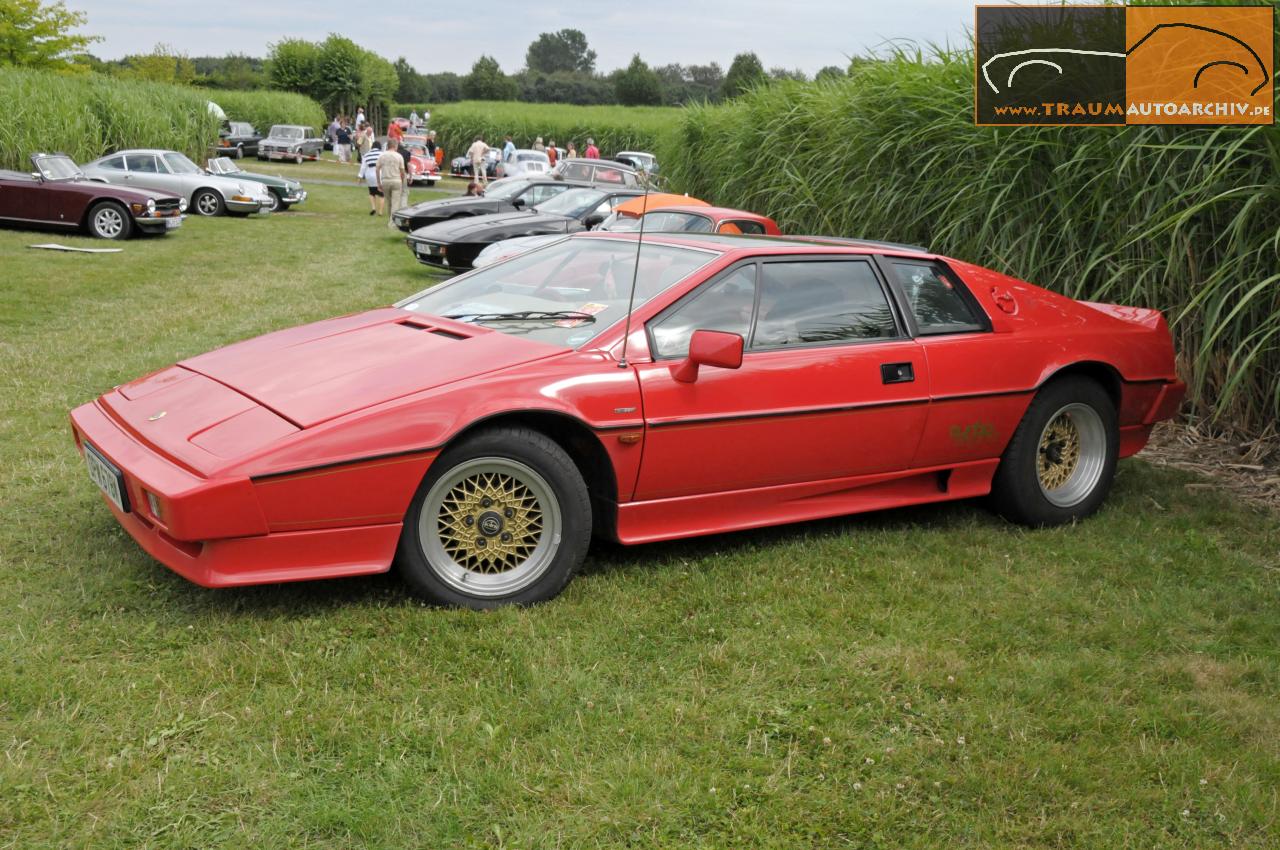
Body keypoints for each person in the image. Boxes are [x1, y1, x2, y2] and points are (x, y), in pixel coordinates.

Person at [377, 139, 408, 227]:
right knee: (395, 203)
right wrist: (402, 182)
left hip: (385, 180)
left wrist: (379, 182)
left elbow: (377, 169)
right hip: (396, 180)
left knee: (389, 202)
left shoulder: (382, 155)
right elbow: (402, 171)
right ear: (395, 146)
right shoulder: (399, 156)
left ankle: (390, 220)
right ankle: (392, 223)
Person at [358, 140, 384, 216]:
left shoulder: (366, 155)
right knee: (381, 194)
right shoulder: (382, 154)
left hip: (369, 175)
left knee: (372, 193)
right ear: (380, 147)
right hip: (379, 174)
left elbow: (363, 167)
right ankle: (380, 211)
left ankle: (373, 208)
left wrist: (359, 177)